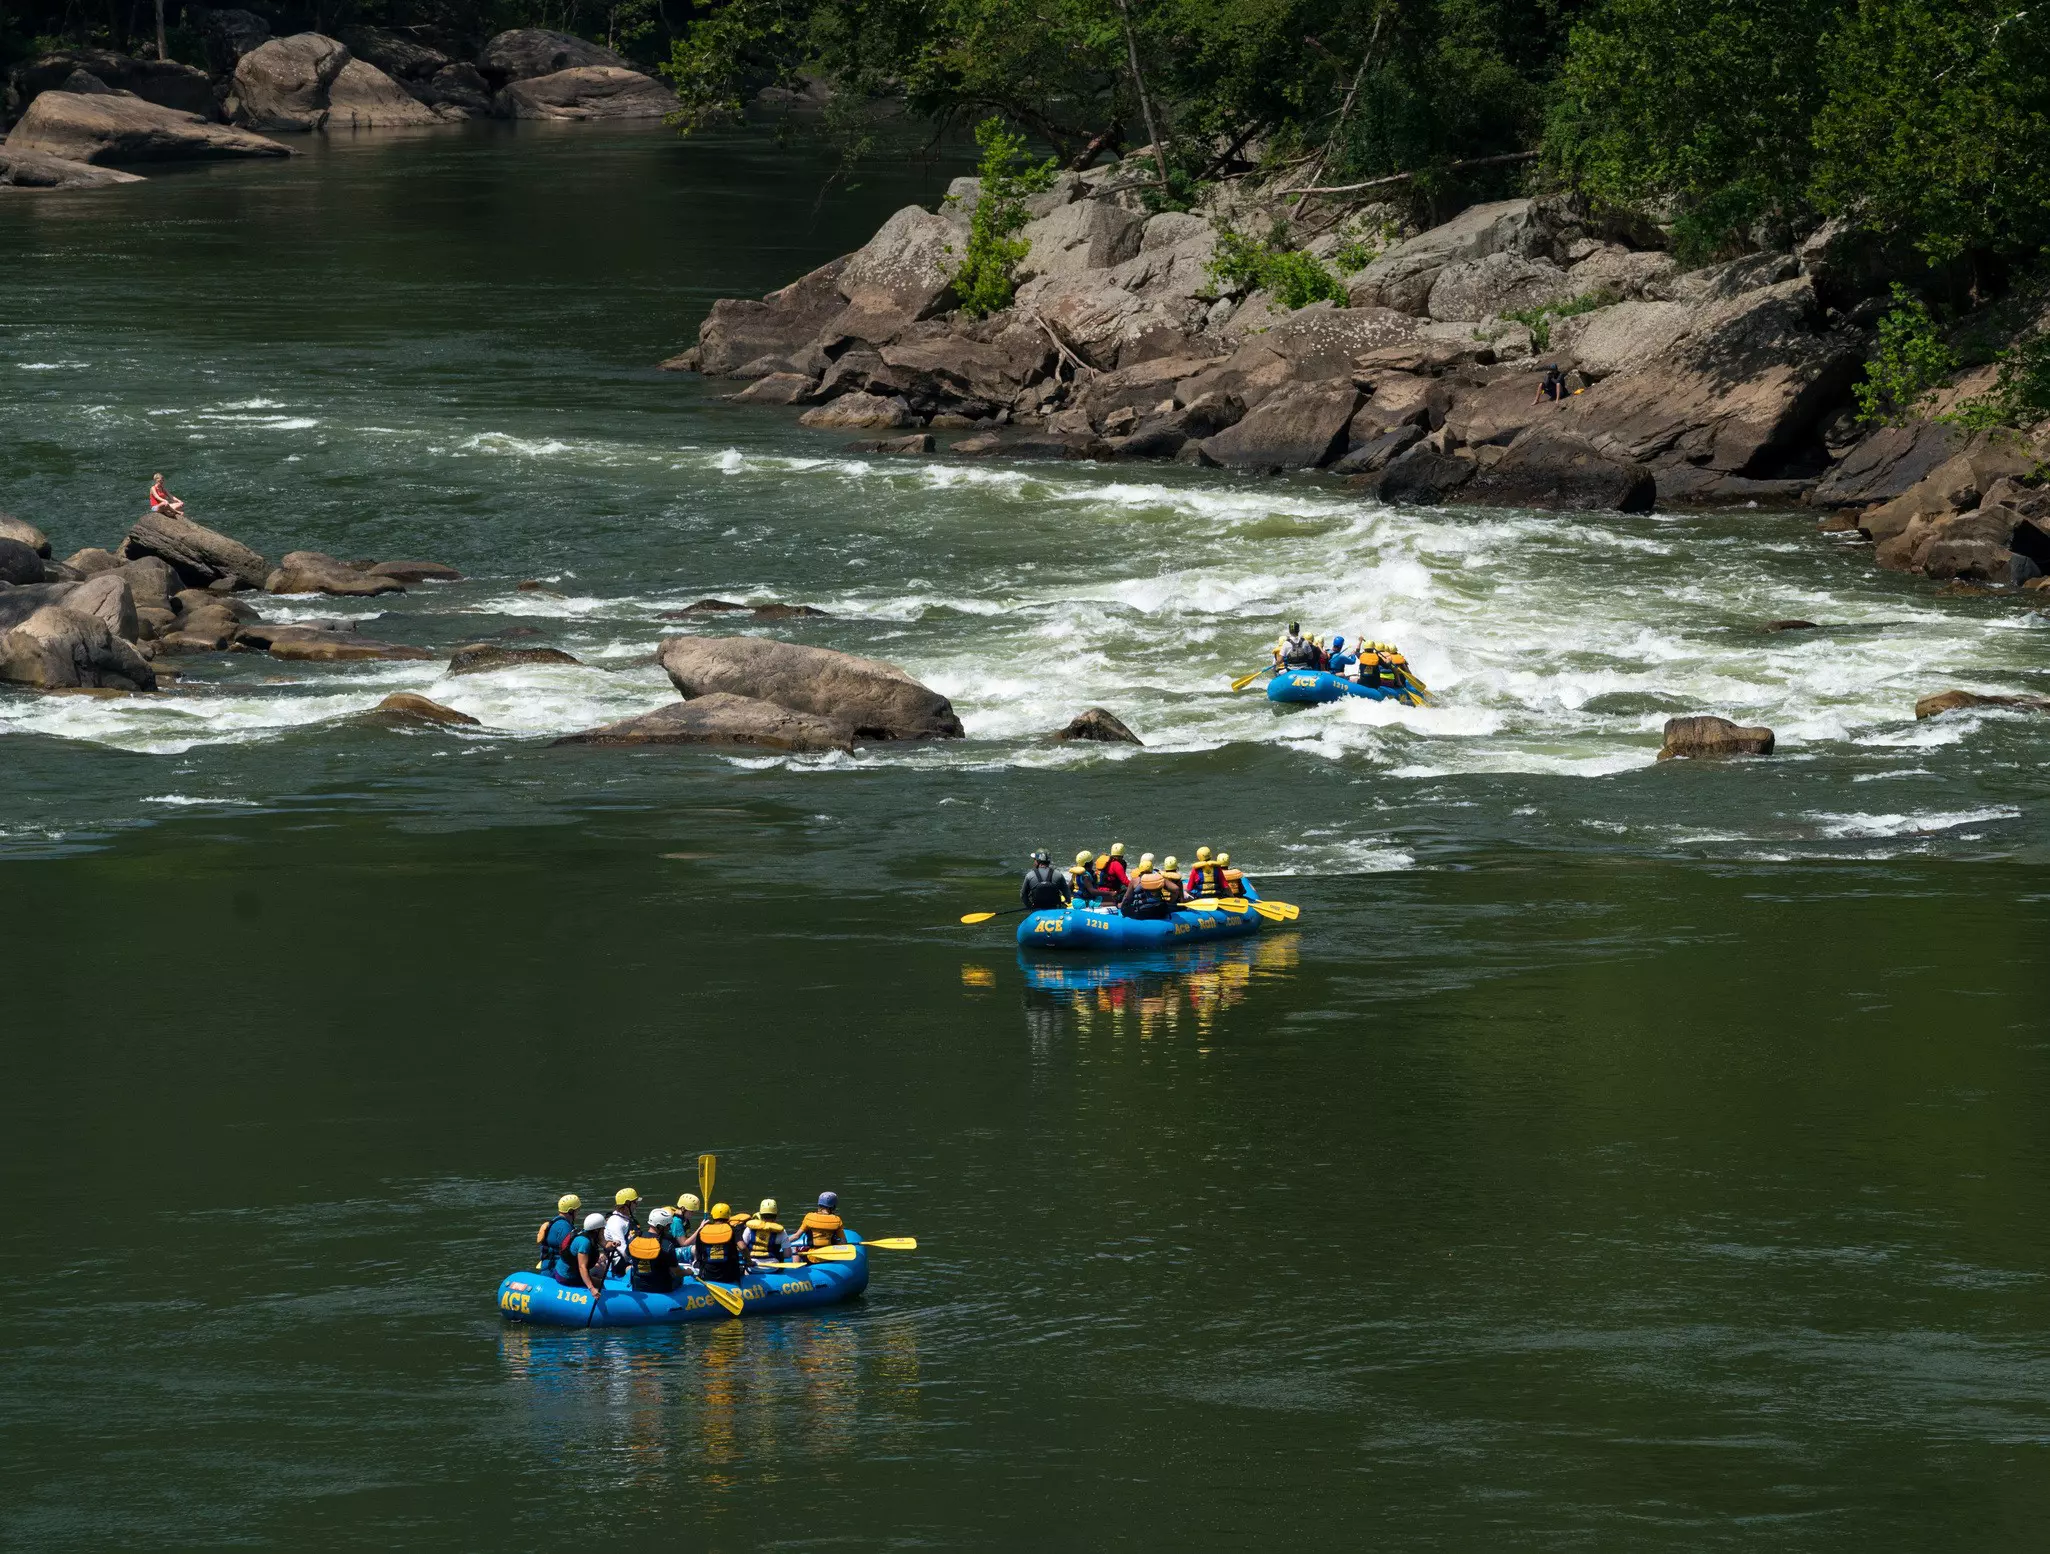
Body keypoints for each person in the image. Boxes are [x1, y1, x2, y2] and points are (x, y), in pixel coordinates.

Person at [627, 1208, 681, 1294]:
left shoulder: (634, 1239)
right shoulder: (667, 1245)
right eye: (668, 1225)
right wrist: (688, 1272)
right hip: (660, 1288)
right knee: (680, 1277)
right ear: (660, 1227)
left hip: (638, 1286)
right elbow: (676, 1271)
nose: (669, 1228)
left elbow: (628, 1256)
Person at [693, 1201, 745, 1284]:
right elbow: (742, 1247)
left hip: (707, 1275)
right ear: (728, 1216)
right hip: (729, 1276)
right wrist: (749, 1261)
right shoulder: (733, 1230)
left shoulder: (702, 1231)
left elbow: (698, 1253)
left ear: (713, 1216)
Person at [559, 1212, 609, 1296]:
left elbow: (605, 1244)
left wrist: (613, 1244)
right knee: (599, 1284)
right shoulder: (584, 1242)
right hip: (567, 1275)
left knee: (597, 1279)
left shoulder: (588, 1234)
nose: (604, 1231)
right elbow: (582, 1267)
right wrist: (592, 1288)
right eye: (603, 1228)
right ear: (597, 1230)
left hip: (570, 1272)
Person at [535, 1193, 580, 1274]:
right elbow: (571, 1252)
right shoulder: (564, 1227)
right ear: (570, 1211)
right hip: (555, 1270)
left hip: (547, 1267)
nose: (578, 1213)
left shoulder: (555, 1222)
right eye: (577, 1210)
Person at [603, 1188, 641, 1276]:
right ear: (627, 1204)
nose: (637, 1205)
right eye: (635, 1202)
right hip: (620, 1263)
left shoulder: (626, 1219)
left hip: (630, 1258)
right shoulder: (616, 1222)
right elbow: (622, 1249)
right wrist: (640, 1262)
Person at [744, 1199, 788, 1269]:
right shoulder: (782, 1232)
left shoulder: (749, 1229)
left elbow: (742, 1248)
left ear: (760, 1215)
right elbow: (787, 1254)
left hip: (753, 1268)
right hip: (772, 1268)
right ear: (776, 1216)